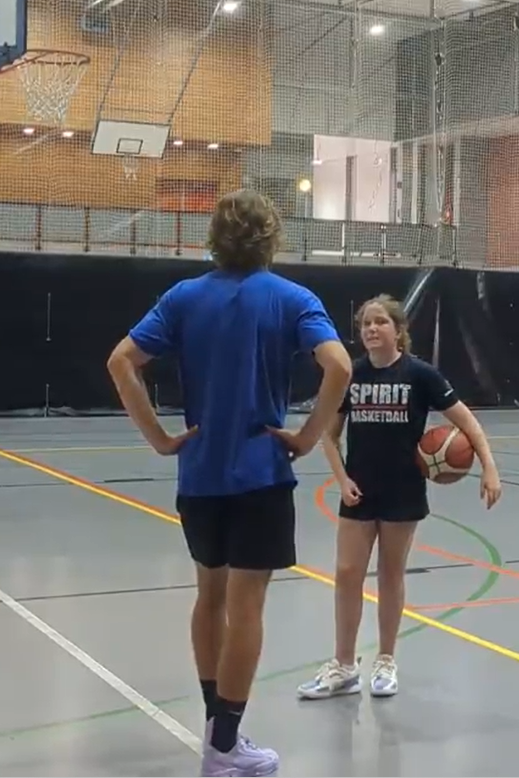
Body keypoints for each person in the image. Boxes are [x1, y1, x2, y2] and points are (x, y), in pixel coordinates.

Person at [106, 189, 352, 777]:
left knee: (209, 596)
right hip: (260, 474)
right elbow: (340, 366)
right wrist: (308, 435)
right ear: (271, 238)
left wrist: (159, 438)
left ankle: (217, 730)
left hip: (200, 476)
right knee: (246, 607)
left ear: (215, 238)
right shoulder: (292, 298)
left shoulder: (183, 297)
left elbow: (121, 361)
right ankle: (224, 745)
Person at [296, 294, 502, 701]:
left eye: (380, 322)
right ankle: (344, 666)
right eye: (366, 324)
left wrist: (489, 467)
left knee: (391, 575)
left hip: (404, 491)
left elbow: (468, 424)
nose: (372, 329)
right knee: (347, 573)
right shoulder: (351, 374)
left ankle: (386, 660)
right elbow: (329, 436)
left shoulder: (421, 375)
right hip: (359, 491)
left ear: (398, 330)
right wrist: (342, 480)